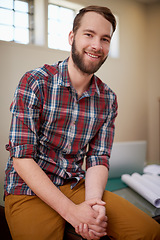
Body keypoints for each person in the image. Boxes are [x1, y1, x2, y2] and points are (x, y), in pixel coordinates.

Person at [4, 5, 160, 240]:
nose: (97, 45)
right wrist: (74, 214)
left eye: (104, 39)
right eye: (89, 34)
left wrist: (93, 205)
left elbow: (98, 158)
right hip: (29, 190)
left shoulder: (108, 99)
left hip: (76, 185)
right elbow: (22, 158)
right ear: (72, 37)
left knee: (150, 232)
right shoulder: (34, 82)